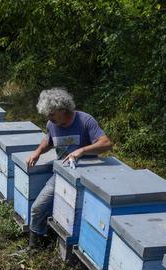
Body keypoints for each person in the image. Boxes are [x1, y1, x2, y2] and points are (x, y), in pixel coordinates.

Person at [26, 88, 113, 249]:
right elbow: (49, 140)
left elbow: (106, 143)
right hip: (61, 174)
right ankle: (35, 246)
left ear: (62, 109)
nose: (48, 117)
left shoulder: (85, 120)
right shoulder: (51, 124)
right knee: (37, 208)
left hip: (88, 180)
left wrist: (81, 150)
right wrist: (38, 151)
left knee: (88, 219)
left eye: (51, 114)